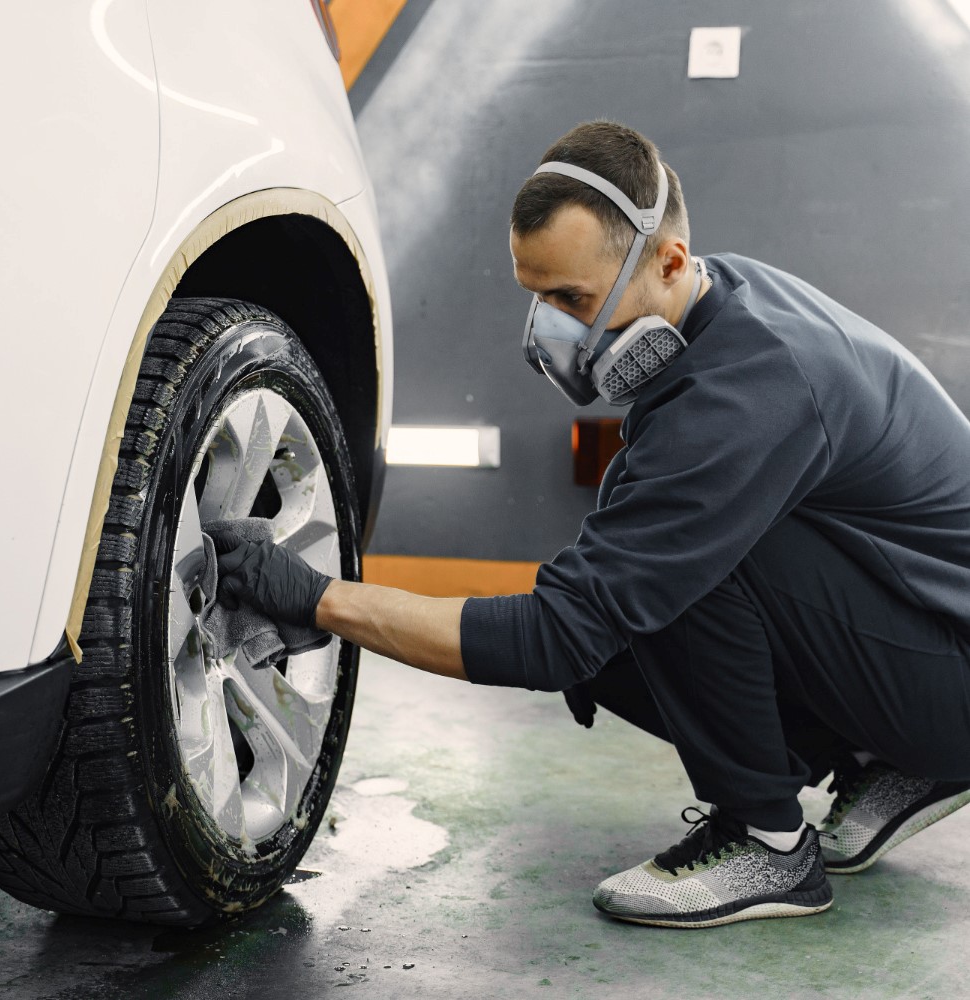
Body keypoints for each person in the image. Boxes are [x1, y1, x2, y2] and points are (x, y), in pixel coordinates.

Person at [210, 120, 970, 929]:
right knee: (619, 616)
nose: (553, 332)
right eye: (538, 297)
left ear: (669, 262)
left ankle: (771, 845)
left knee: (675, 576)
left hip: (951, 669)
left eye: (572, 298)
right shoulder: (720, 306)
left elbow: (551, 637)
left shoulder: (750, 396)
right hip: (919, 628)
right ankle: (884, 757)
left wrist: (321, 597)